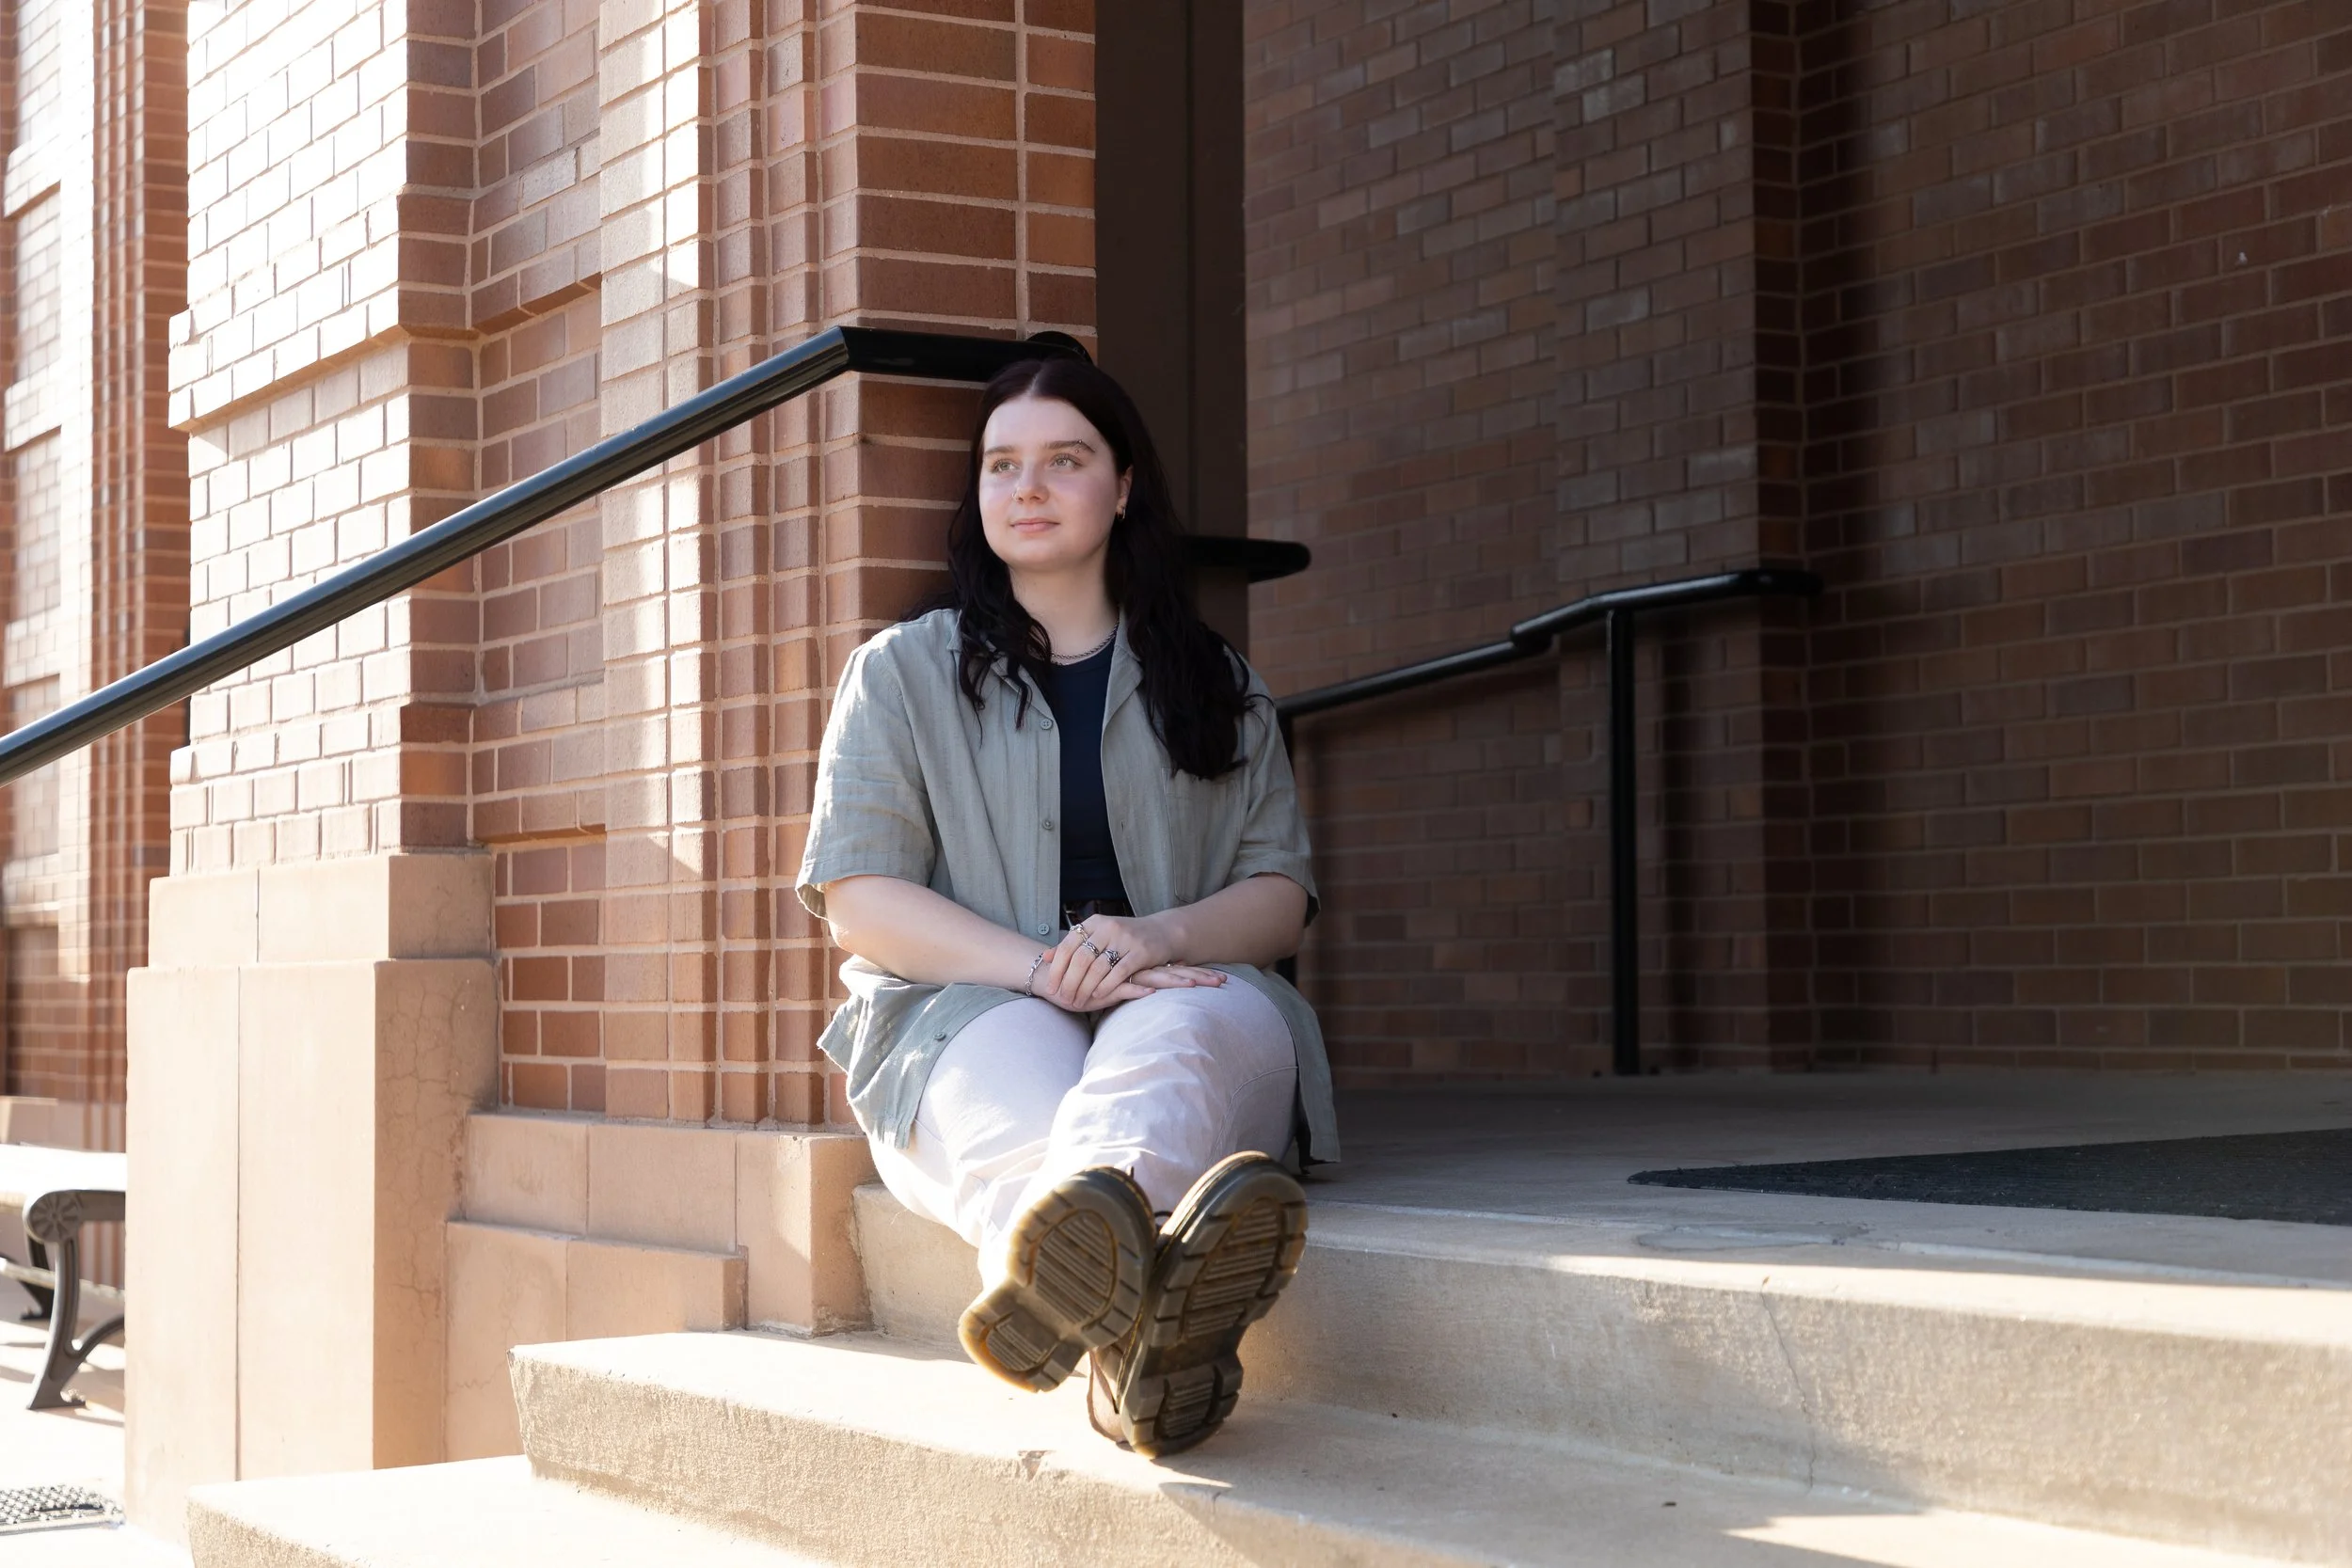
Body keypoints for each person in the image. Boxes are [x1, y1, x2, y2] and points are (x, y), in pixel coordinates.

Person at [794, 353, 1338, 1458]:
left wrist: (1157, 938)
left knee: (1170, 1038)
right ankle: (1138, 1345)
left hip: (1191, 988)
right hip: (967, 1009)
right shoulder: (900, 673)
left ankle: (1079, 1302)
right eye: (1001, 464)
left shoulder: (1219, 683)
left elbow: (1280, 893)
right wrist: (1041, 967)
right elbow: (858, 898)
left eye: (1064, 459)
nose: (1026, 487)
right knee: (1030, 1133)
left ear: (1124, 484)